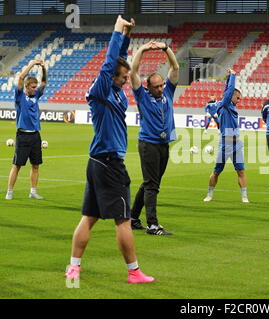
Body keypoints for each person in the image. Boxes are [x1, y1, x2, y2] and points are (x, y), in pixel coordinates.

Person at [65, 16, 155, 284]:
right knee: (123, 220)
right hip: (110, 164)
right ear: (113, 78)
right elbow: (109, 64)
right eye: (124, 78)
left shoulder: (112, 88)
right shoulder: (104, 87)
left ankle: (74, 268)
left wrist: (127, 35)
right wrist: (117, 31)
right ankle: (134, 272)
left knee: (89, 218)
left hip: (97, 163)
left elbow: (118, 62)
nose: (127, 81)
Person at [128, 39, 179, 235]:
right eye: (156, 86)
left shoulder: (168, 92)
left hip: (164, 143)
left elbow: (174, 66)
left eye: (161, 85)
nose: (160, 88)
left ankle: (132, 218)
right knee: (152, 185)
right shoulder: (142, 95)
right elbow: (133, 72)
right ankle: (152, 224)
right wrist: (142, 49)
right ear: (148, 87)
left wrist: (165, 48)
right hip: (148, 144)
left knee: (150, 183)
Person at [203, 69, 249, 203]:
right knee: (216, 171)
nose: (239, 100)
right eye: (238, 97)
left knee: (241, 171)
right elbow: (228, 92)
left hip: (237, 144)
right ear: (232, 96)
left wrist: (229, 77)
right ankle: (209, 194)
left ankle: (244, 196)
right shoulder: (226, 104)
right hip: (225, 143)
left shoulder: (230, 105)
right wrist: (233, 75)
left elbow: (227, 91)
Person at [5, 59, 47, 200]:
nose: (36, 89)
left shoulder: (36, 97)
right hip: (22, 136)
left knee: (35, 165)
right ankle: (9, 192)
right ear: (26, 87)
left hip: (35, 135)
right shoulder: (19, 97)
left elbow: (44, 82)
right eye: (33, 87)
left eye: (36, 87)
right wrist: (32, 64)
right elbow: (21, 77)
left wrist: (43, 68)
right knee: (17, 165)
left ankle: (33, 191)